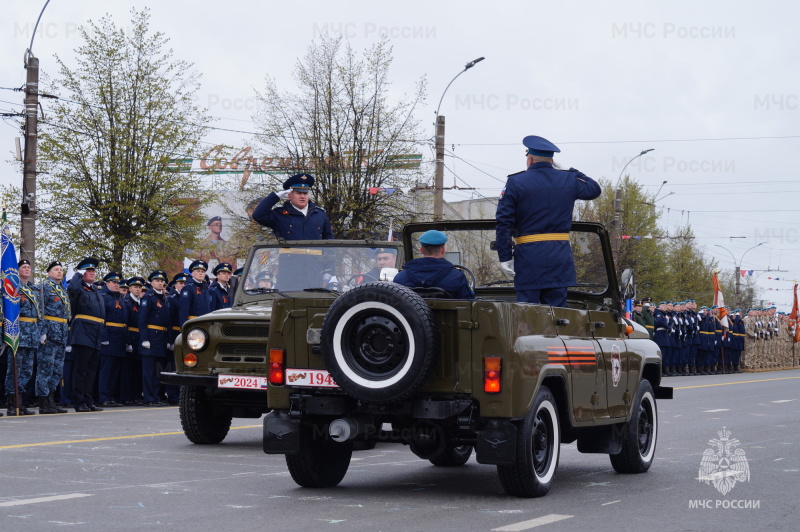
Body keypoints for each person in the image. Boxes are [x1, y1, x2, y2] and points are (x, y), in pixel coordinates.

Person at [495, 135, 601, 307]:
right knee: (558, 317)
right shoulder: (568, 179)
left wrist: (505, 256)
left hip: (529, 258)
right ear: (552, 161)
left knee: (528, 314)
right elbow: (594, 189)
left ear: (529, 159)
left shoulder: (516, 182)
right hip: (559, 258)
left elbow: (504, 222)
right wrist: (572, 171)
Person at [67, 257, 106, 412]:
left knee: (91, 370)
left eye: (93, 271)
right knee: (81, 369)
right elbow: (72, 290)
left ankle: (88, 400)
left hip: (96, 333)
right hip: (83, 332)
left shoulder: (95, 289)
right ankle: (79, 401)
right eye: (88, 270)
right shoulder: (78, 288)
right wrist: (77, 275)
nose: (92, 273)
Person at [251, 173, 334, 240]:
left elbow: (329, 240)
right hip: (290, 260)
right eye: (298, 193)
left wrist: (330, 260)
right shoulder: (280, 214)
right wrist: (275, 197)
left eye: (305, 193)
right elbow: (258, 215)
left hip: (316, 261)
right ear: (289, 196)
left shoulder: (319, 214)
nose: (302, 196)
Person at [393, 230, 474, 299]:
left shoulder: (401, 277)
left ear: (421, 250)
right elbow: (469, 305)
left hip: (410, 318)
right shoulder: (457, 277)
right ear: (442, 249)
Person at [5, 260, 41, 415]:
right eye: (23, 267)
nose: (27, 269)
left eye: (28, 267)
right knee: (14, 370)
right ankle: (12, 404)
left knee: (26, 371)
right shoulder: (13, 287)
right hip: (18, 333)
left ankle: (22, 403)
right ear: (17, 270)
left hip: (32, 334)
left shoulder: (33, 289)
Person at [139, 270, 171, 407]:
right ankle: (149, 397)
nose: (160, 283)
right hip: (151, 338)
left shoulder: (164, 298)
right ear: (151, 282)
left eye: (162, 280)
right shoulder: (148, 297)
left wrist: (168, 340)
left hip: (161, 338)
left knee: (158, 370)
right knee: (149, 371)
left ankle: (156, 396)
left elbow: (167, 321)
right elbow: (142, 320)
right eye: (157, 280)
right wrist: (145, 339)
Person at [41, 261, 71, 410]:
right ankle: (43, 402)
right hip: (50, 332)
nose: (59, 272)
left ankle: (52, 400)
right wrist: (42, 331)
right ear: (49, 273)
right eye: (56, 269)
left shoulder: (62, 289)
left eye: (61, 270)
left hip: (62, 332)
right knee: (46, 367)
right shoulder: (45, 287)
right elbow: (40, 309)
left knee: (57, 369)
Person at [98, 271, 128, 407]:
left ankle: (111, 396)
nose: (117, 285)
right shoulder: (103, 296)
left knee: (115, 370)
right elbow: (101, 318)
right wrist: (104, 337)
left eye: (118, 283)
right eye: (114, 283)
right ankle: (103, 396)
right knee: (107, 369)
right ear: (107, 283)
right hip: (109, 337)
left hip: (119, 338)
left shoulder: (120, 297)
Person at [121, 276, 145, 406]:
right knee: (128, 370)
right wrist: (127, 342)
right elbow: (125, 322)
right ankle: (126, 396)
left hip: (139, 338)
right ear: (129, 288)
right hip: (130, 336)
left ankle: (136, 395)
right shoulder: (126, 302)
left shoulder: (141, 302)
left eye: (140, 287)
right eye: (135, 287)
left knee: (137, 369)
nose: (138, 289)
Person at [179, 260, 211, 326]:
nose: (201, 273)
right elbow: (184, 310)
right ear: (193, 273)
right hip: (193, 323)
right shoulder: (188, 288)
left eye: (202, 272)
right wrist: (184, 326)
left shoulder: (205, 288)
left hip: (205, 322)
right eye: (198, 271)